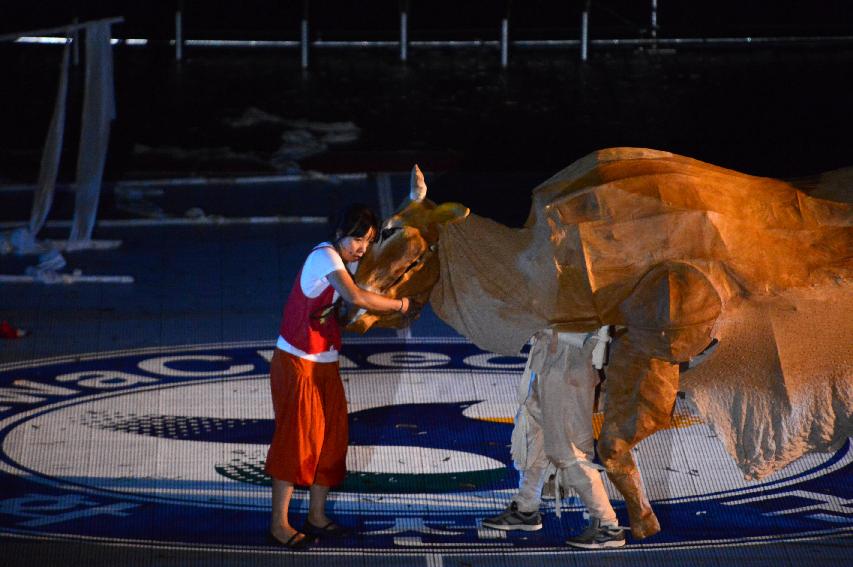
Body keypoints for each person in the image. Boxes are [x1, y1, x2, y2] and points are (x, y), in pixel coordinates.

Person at [265, 203, 413, 549]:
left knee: (331, 441)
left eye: (368, 241)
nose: (360, 247)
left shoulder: (349, 261)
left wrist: (411, 208)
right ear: (339, 234)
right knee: (296, 441)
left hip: (324, 361)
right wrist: (401, 306)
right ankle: (278, 525)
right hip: (296, 362)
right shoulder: (325, 257)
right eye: (356, 239)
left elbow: (383, 264)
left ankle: (316, 517)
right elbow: (356, 296)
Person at [481, 327, 626, 549]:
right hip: (548, 353)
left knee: (565, 447)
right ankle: (526, 507)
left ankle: (607, 524)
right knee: (533, 429)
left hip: (568, 360)